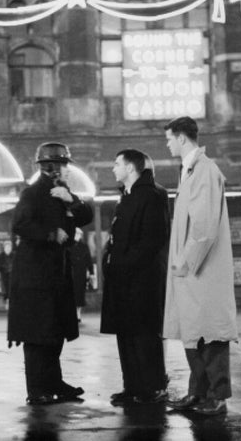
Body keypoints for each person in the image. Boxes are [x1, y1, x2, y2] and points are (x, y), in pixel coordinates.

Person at [8, 141, 93, 406]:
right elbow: (20, 225)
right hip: (35, 277)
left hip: (55, 275)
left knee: (54, 333)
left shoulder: (62, 192)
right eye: (65, 165)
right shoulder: (32, 193)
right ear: (53, 168)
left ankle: (54, 383)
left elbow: (85, 216)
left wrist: (72, 200)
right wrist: (50, 234)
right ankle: (37, 390)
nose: (68, 170)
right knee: (37, 336)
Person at [163, 116, 238, 416]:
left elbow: (204, 227)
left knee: (211, 333)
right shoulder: (191, 170)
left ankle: (216, 396)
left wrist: (185, 262)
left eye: (169, 138)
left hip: (201, 271)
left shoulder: (204, 170)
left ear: (182, 138)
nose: (167, 144)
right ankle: (198, 392)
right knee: (195, 332)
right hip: (192, 273)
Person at [100, 149, 170, 405]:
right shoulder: (127, 196)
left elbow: (153, 240)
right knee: (126, 333)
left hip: (142, 280)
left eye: (117, 163)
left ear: (131, 168)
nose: (113, 168)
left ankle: (152, 387)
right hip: (122, 278)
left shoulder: (153, 195)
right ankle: (132, 387)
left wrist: (123, 264)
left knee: (144, 335)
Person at [69, 228, 93, 323]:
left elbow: (88, 260)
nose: (78, 236)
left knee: (80, 295)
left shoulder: (83, 246)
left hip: (81, 274)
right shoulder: (69, 246)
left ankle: (78, 313)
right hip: (72, 274)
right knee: (73, 294)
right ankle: (74, 313)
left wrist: (91, 272)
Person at [0, 240, 14, 310]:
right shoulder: (1, 256)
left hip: (12, 274)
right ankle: (6, 296)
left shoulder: (14, 255)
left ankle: (10, 298)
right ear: (4, 248)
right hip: (4, 273)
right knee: (5, 286)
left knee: (11, 286)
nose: (8, 248)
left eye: (9, 247)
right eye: (7, 247)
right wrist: (3, 269)